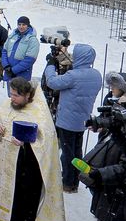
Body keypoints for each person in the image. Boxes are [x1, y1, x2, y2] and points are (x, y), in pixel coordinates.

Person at [0, 78, 66, 221]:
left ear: (27, 95)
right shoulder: (9, 103)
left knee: (19, 203)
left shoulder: (40, 113)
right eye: (11, 94)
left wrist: (25, 144)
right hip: (3, 161)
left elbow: (46, 143)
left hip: (24, 168)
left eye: (16, 95)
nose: (12, 98)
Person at [43, 43, 102, 193]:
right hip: (82, 120)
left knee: (67, 154)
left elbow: (52, 82)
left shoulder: (73, 76)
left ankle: (68, 183)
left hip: (67, 121)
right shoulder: (96, 75)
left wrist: (50, 64)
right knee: (77, 151)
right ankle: (76, 179)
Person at [1, 16, 39, 82]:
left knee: (19, 92)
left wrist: (13, 70)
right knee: (10, 92)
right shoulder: (12, 36)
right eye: (19, 24)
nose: (21, 27)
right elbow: (4, 51)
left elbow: (29, 60)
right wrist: (6, 66)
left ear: (28, 25)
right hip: (9, 73)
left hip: (22, 76)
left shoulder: (32, 40)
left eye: (23, 25)